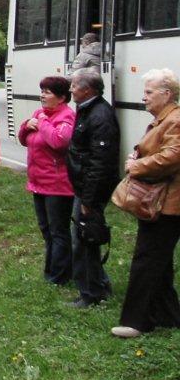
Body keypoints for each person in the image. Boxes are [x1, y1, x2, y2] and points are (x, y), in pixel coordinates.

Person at [112, 68, 180, 338]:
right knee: (158, 262)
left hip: (168, 204)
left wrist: (137, 166)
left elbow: (172, 156)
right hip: (164, 201)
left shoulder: (175, 120)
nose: (144, 97)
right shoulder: (166, 119)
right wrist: (137, 156)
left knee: (146, 260)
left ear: (167, 94)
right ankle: (169, 316)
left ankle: (136, 322)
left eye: (149, 92)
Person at [66, 69, 119, 308]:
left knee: (84, 239)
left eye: (74, 85)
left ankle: (90, 294)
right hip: (84, 187)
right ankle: (99, 286)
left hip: (91, 190)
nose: (71, 89)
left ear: (88, 90)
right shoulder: (87, 109)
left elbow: (101, 163)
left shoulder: (100, 115)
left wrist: (88, 199)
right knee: (86, 237)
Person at [17, 76, 76, 285]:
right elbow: (24, 140)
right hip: (38, 182)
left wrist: (41, 122)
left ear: (61, 97)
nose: (42, 95)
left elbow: (59, 142)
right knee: (46, 230)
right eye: (42, 91)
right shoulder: (39, 113)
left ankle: (60, 276)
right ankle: (51, 270)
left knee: (58, 231)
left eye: (47, 92)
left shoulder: (66, 117)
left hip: (57, 185)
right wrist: (26, 125)